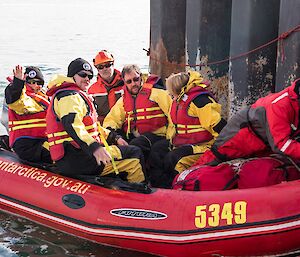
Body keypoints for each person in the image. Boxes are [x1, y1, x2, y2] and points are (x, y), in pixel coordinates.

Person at [46, 58, 145, 183]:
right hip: (78, 158)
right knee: (135, 153)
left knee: (124, 147)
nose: (87, 79)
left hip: (77, 155)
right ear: (72, 76)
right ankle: (141, 191)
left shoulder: (73, 95)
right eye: (83, 75)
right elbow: (72, 125)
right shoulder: (69, 97)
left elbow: (93, 128)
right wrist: (95, 148)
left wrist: (114, 137)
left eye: (90, 76)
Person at [147, 71, 227, 188]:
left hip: (204, 145)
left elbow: (216, 124)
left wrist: (220, 149)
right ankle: (157, 186)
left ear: (176, 89)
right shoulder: (178, 101)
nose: (168, 94)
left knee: (174, 158)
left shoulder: (200, 101)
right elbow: (173, 127)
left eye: (170, 91)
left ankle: (176, 187)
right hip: (182, 143)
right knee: (156, 152)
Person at [196, 78, 300, 166]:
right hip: (239, 134)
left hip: (262, 143)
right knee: (212, 160)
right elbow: (281, 145)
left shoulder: (293, 102)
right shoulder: (279, 105)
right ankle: (183, 182)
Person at [103, 64, 172, 161]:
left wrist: (171, 136)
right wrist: (116, 137)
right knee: (118, 148)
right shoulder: (123, 100)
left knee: (135, 146)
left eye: (136, 79)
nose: (133, 83)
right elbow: (112, 120)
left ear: (140, 77)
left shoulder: (157, 93)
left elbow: (173, 113)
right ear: (124, 82)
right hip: (135, 136)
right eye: (129, 81)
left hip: (158, 135)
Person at [5, 65, 52, 163]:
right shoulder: (24, 98)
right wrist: (18, 83)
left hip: (42, 141)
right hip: (28, 144)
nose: (35, 85)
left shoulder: (44, 97)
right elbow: (18, 102)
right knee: (59, 154)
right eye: (31, 82)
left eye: (39, 83)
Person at [88, 50, 124, 124]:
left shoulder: (127, 83)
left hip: (124, 124)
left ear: (113, 64)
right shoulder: (92, 90)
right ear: (97, 68)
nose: (104, 69)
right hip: (103, 128)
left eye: (108, 65)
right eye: (100, 67)